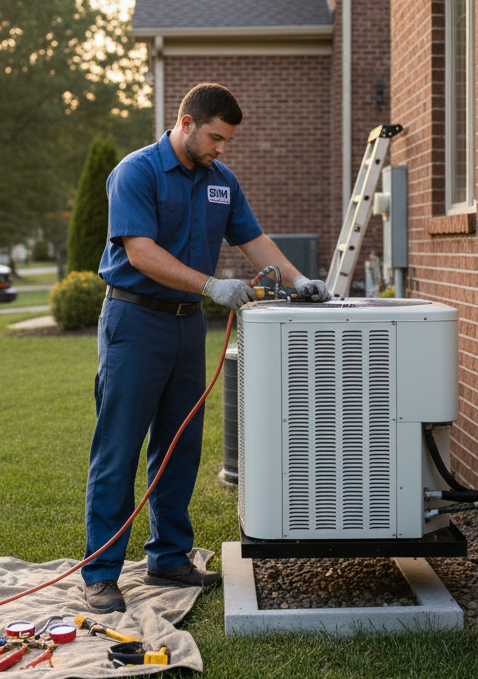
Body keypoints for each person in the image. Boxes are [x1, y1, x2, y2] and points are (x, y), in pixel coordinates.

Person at [82, 82, 327, 612]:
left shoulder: (221, 181)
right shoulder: (137, 173)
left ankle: (168, 558)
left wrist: (301, 278)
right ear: (187, 123)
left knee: (180, 445)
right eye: (216, 137)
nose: (222, 149)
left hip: (187, 327)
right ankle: (100, 573)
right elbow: (141, 252)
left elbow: (252, 239)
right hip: (135, 321)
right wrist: (211, 285)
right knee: (119, 447)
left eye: (228, 141)